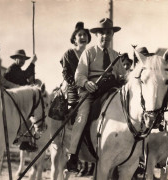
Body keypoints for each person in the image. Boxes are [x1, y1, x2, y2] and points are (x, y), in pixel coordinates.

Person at [66, 18, 126, 172]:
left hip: (111, 91)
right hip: (91, 91)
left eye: (108, 33)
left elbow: (122, 77)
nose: (105, 36)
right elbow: (79, 75)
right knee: (82, 116)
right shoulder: (89, 52)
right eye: (101, 33)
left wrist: (122, 79)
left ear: (112, 35)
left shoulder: (116, 56)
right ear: (97, 35)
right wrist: (87, 83)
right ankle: (73, 155)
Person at [4, 49, 38, 151]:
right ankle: (24, 141)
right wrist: (32, 63)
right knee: (26, 115)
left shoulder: (17, 70)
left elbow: (24, 78)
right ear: (15, 59)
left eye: (24, 59)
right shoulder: (12, 69)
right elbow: (24, 75)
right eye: (20, 58)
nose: (23, 61)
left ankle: (24, 139)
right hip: (12, 99)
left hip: (16, 98)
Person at [60, 21, 91, 108]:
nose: (83, 37)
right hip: (74, 91)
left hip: (89, 89)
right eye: (79, 35)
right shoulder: (69, 53)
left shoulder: (91, 54)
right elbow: (66, 74)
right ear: (74, 39)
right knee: (73, 112)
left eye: (85, 34)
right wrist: (77, 85)